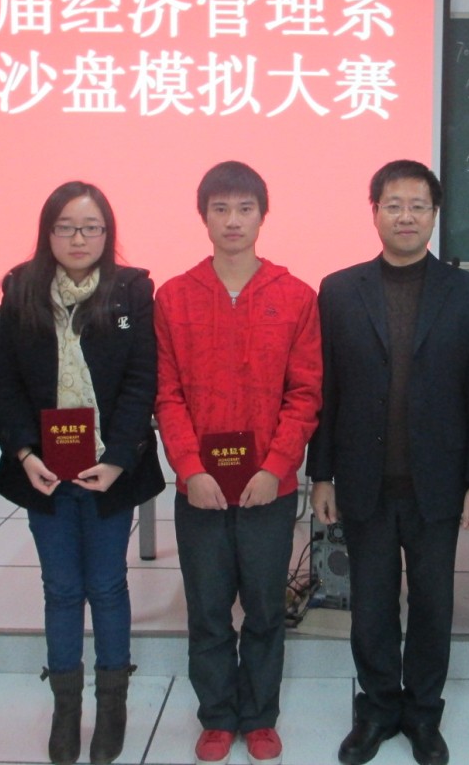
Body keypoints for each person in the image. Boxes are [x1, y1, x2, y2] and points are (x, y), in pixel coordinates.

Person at [308, 160, 469, 765]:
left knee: (434, 604)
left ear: (435, 215)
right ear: (375, 213)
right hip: (363, 478)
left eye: (418, 206)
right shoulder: (340, 290)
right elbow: (327, 390)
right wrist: (320, 473)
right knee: (371, 604)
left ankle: (423, 713)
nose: (406, 216)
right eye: (394, 205)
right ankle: (377, 707)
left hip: (437, 482)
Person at [0, 181, 163, 765]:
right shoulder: (21, 288)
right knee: (61, 588)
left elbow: (142, 380)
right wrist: (24, 454)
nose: (78, 238)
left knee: (107, 584)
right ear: (48, 232)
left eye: (91, 227)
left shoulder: (132, 290)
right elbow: (5, 380)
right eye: (65, 227)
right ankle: (66, 707)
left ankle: (112, 703)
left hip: (110, 468)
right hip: (46, 470)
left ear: (108, 233)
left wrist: (117, 459)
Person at [155, 161, 322, 765]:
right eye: (220, 208)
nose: (232, 221)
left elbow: (305, 394)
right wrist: (190, 468)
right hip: (199, 488)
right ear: (203, 216)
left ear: (262, 215)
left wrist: (275, 467)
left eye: (244, 208)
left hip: (268, 489)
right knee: (206, 609)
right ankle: (218, 716)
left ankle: (259, 716)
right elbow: (167, 393)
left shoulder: (295, 296)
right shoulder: (173, 296)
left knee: (265, 607)